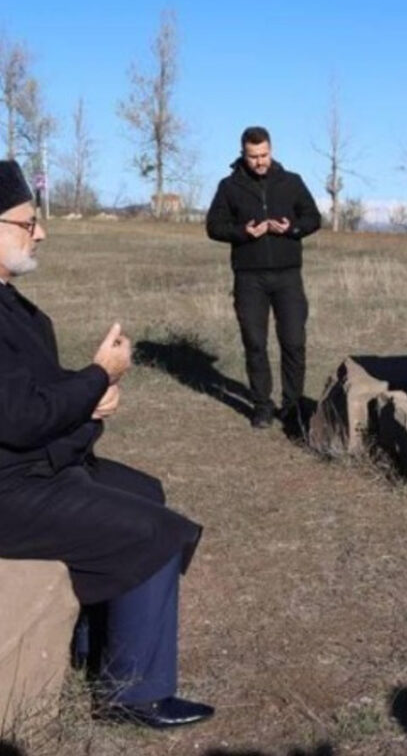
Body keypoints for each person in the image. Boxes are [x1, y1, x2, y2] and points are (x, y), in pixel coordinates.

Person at [0, 161, 213, 729]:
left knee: (146, 491)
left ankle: (92, 645)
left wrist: (88, 394)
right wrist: (97, 377)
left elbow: (29, 393)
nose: (41, 233)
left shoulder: (13, 304)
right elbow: (20, 419)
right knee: (153, 532)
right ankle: (133, 694)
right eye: (27, 223)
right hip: (11, 489)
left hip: (34, 467)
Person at [206, 126, 321, 432]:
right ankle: (261, 406)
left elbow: (313, 218)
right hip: (249, 278)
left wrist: (292, 228)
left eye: (264, 155)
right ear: (243, 154)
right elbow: (214, 226)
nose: (259, 161)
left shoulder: (291, 182)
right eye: (253, 156)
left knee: (293, 342)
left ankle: (293, 406)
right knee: (255, 343)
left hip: (288, 276)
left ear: (271, 150)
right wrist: (243, 232)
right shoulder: (229, 186)